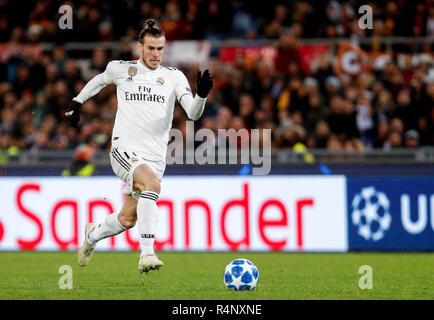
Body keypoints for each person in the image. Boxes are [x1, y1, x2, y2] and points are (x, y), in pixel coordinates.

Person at [65, 19, 213, 274]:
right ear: (140, 47)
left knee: (127, 219)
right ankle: (147, 253)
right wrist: (77, 102)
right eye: (151, 48)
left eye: (160, 49)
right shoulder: (122, 69)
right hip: (123, 150)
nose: (156, 54)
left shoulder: (173, 77)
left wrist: (201, 95)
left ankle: (91, 237)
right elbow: (99, 80)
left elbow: (193, 113)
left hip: (154, 157)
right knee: (152, 185)